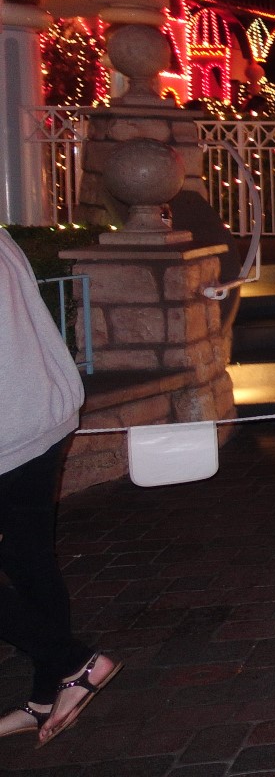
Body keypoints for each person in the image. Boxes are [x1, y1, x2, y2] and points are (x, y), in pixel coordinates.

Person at [0, 230, 121, 745]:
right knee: (29, 561)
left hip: (11, 428)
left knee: (29, 561)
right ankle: (47, 696)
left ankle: (75, 661)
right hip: (36, 415)